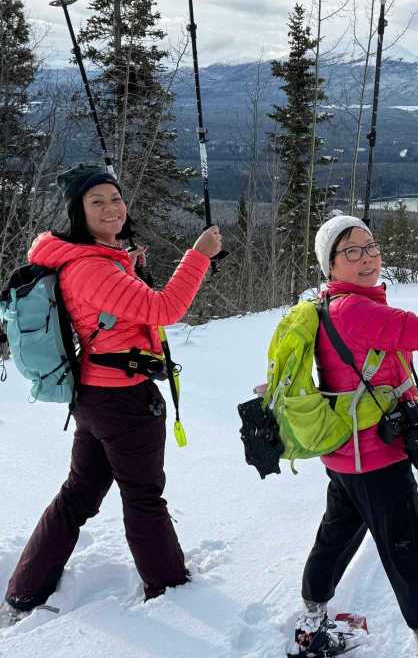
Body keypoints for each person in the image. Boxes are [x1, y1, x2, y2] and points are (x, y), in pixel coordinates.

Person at [1, 164, 221, 625]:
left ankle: (25, 589)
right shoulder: (90, 268)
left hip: (97, 397)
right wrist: (198, 255)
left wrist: (130, 265)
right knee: (143, 495)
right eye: (96, 201)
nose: (111, 208)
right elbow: (166, 308)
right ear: (78, 212)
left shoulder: (94, 259)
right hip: (122, 400)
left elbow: (121, 313)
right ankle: (169, 586)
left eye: (115, 199)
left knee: (79, 494)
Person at [292, 214, 418, 658]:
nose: (367, 258)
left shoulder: (332, 304)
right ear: (330, 265)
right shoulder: (356, 310)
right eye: (351, 251)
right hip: (377, 457)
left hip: (347, 455)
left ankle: (311, 626)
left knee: (335, 538)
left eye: (371, 247)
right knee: (409, 556)